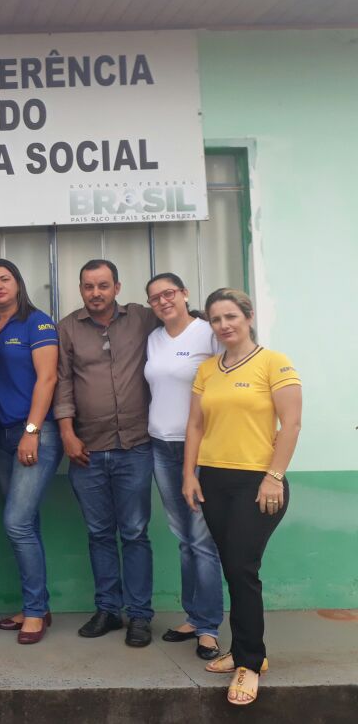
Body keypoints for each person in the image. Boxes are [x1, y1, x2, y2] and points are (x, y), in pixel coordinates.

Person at [183, 288, 301, 706]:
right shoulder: (208, 370)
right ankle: (244, 650)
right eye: (215, 319)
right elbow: (195, 426)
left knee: (242, 567)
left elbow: (291, 424)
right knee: (234, 569)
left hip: (258, 483)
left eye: (231, 316)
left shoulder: (274, 362)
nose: (223, 325)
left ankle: (250, 663)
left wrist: (274, 476)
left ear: (247, 317)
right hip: (213, 480)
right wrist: (188, 475)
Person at [55, 259, 160, 648]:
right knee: (99, 534)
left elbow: (185, 323)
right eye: (88, 287)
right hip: (87, 450)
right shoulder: (67, 328)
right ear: (80, 289)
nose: (95, 293)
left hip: (135, 446)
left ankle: (139, 616)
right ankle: (108, 610)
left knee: (134, 533)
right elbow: (62, 382)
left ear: (117, 287)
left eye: (102, 286)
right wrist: (67, 432)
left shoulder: (143, 319)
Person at [143, 273, 223, 660]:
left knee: (203, 541)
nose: (163, 301)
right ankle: (193, 616)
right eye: (155, 298)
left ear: (185, 293)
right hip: (161, 447)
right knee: (184, 538)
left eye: (169, 293)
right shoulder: (154, 338)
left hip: (202, 452)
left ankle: (208, 627)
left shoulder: (207, 333)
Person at [0, 260, 62, 645]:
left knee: (16, 522)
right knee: (25, 523)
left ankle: (34, 612)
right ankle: (37, 603)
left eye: (5, 279)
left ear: (18, 283)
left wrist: (32, 430)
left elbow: (48, 378)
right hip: (0, 436)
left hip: (35, 433)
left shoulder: (37, 322)